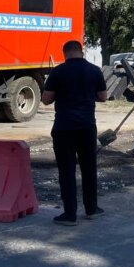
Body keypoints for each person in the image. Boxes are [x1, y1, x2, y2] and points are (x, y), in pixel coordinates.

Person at [41, 40, 107, 226]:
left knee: (66, 171)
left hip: (64, 128)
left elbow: (46, 100)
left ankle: (70, 215)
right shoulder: (95, 70)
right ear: (81, 51)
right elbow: (103, 97)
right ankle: (92, 209)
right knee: (89, 168)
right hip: (87, 127)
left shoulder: (58, 71)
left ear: (65, 53)